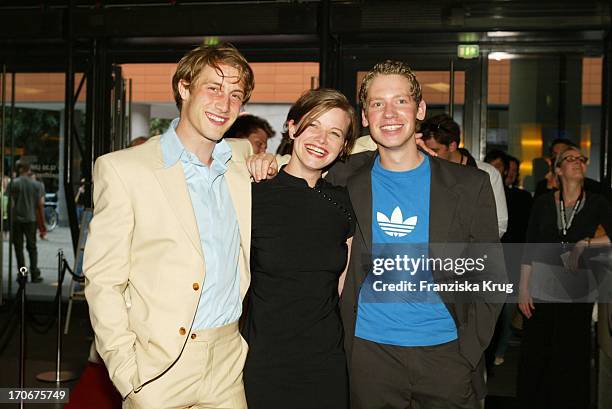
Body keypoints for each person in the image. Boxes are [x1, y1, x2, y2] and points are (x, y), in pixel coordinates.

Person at [248, 60, 505, 408]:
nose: (390, 113)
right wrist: (263, 161)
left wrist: (468, 353)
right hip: (369, 359)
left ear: (420, 110)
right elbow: (302, 170)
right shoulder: (345, 178)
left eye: (400, 101)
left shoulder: (469, 184)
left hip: (446, 357)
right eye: (377, 103)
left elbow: (489, 278)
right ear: (366, 118)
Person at [84, 42, 255, 409]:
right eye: (214, 88)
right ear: (184, 87)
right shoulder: (123, 169)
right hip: (158, 368)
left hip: (227, 363)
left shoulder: (242, 159)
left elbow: (312, 152)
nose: (224, 104)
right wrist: (128, 373)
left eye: (235, 94)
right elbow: (103, 280)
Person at [242, 88, 357, 409]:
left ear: (344, 145)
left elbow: (340, 289)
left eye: (335, 133)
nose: (321, 139)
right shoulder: (253, 195)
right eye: (313, 126)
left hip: (327, 360)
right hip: (265, 360)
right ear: (292, 128)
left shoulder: (343, 203)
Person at [518, 145, 612, 409]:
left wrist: (586, 243)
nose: (577, 162)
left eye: (580, 159)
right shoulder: (543, 203)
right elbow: (530, 246)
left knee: (570, 353)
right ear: (558, 169)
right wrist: (523, 289)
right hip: (541, 284)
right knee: (537, 352)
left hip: (577, 285)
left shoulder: (596, 202)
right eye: (569, 159)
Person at [421, 113, 508, 237]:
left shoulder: (486, 173)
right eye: (424, 150)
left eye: (435, 150)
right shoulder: (423, 172)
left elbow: (499, 223)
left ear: (452, 146)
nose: (428, 154)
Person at [9, 161, 44, 283]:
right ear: (29, 170)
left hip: (17, 220)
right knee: (32, 247)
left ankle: (23, 274)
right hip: (31, 220)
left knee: (19, 249)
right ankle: (34, 274)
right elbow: (40, 205)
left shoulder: (13, 183)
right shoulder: (37, 185)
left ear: (19, 170)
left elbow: (10, 204)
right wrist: (42, 224)